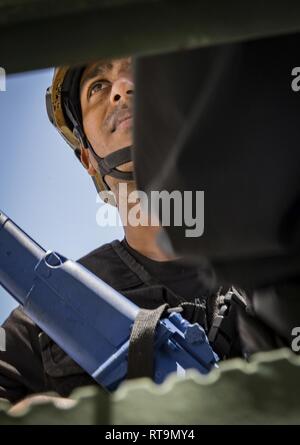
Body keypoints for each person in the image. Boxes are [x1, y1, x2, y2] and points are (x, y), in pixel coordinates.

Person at [0, 57, 226, 409]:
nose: (120, 88)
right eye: (98, 87)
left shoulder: (276, 272)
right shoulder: (44, 318)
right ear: (87, 159)